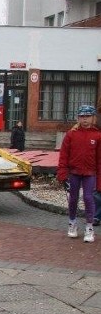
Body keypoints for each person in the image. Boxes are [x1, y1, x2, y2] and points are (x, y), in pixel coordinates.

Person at [56, 104, 101, 242]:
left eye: (88, 116)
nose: (85, 119)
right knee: (73, 199)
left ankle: (89, 227)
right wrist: (62, 172)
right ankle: (72, 223)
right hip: (74, 172)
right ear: (78, 118)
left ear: (93, 118)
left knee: (89, 198)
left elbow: (99, 160)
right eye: (82, 117)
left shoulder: (98, 135)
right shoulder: (71, 135)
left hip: (90, 173)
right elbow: (64, 155)